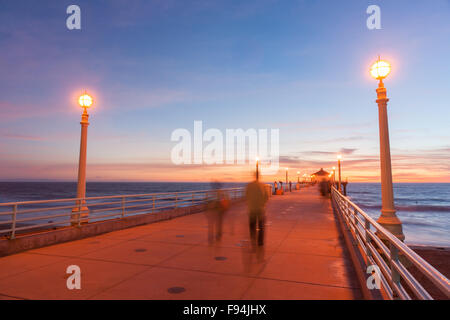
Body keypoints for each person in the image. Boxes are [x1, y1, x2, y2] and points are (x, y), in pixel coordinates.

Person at [245, 176, 269, 248]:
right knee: (261, 226)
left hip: (252, 209)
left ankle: (253, 240)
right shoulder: (263, 185)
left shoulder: (249, 185)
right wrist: (263, 204)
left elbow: (246, 196)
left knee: (252, 226)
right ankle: (260, 242)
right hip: (260, 209)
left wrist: (250, 204)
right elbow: (266, 197)